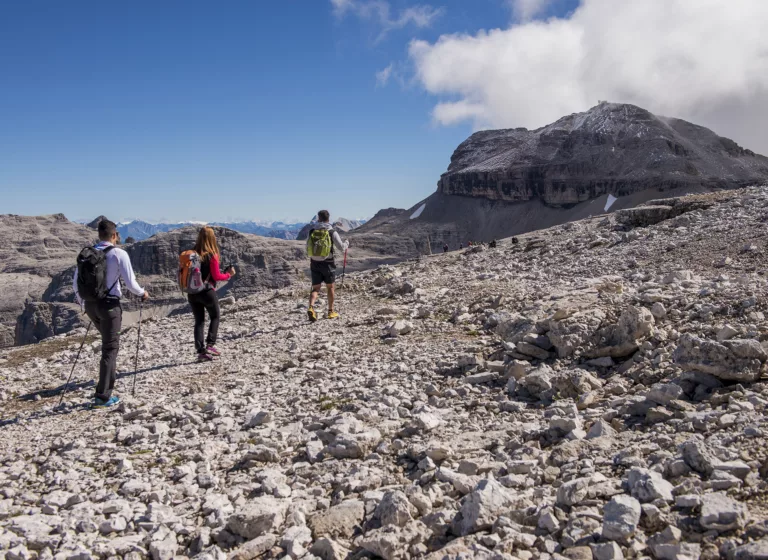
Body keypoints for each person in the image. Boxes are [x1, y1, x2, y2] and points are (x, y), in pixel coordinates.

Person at [73, 219, 149, 407]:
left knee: (108, 344)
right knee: (110, 348)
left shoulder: (87, 254)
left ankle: (105, 387)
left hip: (91, 306)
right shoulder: (119, 253)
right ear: (114, 235)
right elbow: (130, 283)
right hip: (110, 307)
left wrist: (83, 303)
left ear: (99, 234)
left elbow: (76, 282)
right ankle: (103, 396)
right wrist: (143, 293)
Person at [189, 226, 235, 362]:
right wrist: (228, 274)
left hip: (192, 292)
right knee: (215, 316)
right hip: (207, 291)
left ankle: (201, 352)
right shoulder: (212, 255)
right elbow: (216, 275)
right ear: (212, 238)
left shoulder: (192, 254)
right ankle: (210, 345)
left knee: (199, 321)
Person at [307, 210, 349, 321]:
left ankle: (311, 307)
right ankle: (331, 312)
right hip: (328, 263)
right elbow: (341, 248)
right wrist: (347, 244)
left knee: (315, 288)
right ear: (328, 219)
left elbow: (307, 246)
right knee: (330, 287)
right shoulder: (332, 232)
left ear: (318, 218)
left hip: (314, 263)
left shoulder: (312, 231)